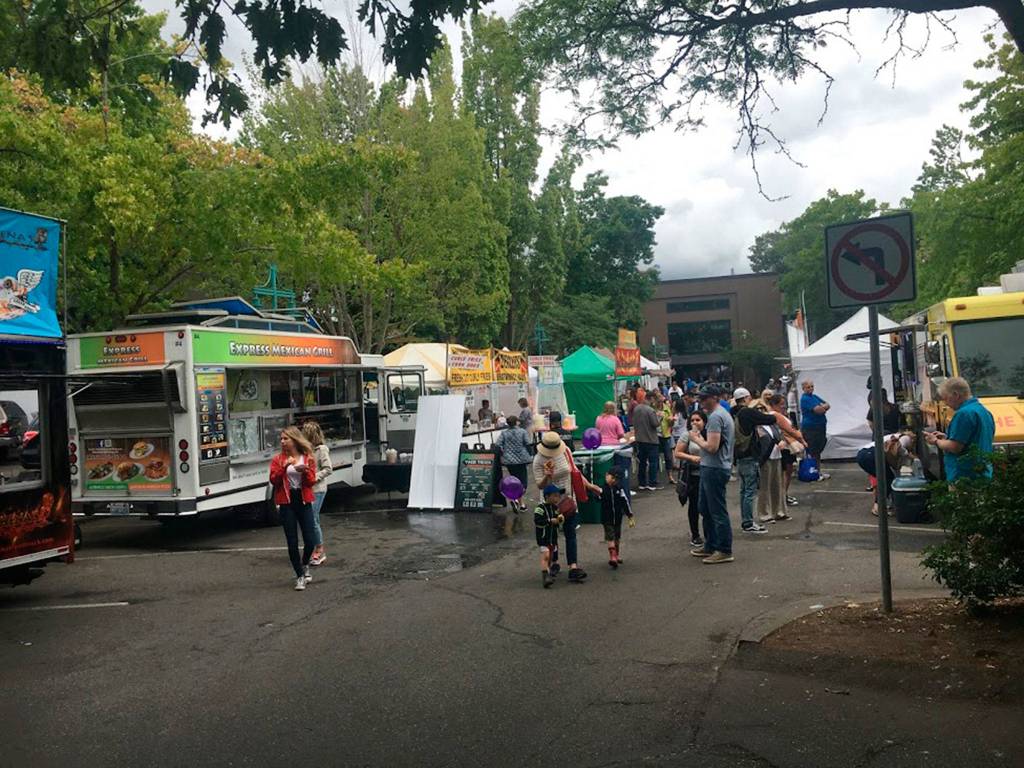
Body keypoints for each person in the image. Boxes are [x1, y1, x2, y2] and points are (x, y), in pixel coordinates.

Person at [533, 431, 601, 582]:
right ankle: (554, 562)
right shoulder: (538, 459)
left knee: (570, 533)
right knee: (552, 535)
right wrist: (547, 476)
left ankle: (573, 567)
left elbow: (574, 472)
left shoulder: (565, 451)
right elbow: (539, 485)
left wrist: (590, 486)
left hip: (568, 499)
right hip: (550, 503)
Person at [688, 388, 735, 564]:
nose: (701, 402)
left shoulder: (716, 417)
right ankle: (711, 544)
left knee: (716, 510)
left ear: (714, 398)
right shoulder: (719, 414)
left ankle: (724, 549)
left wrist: (696, 438)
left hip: (715, 467)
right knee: (705, 508)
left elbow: (712, 447)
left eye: (704, 398)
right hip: (711, 466)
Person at [269, 426, 318, 590]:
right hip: (286, 502)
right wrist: (284, 467)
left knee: (310, 540)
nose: (282, 442)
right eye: (281, 439)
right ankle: (299, 575)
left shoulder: (307, 457)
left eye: (286, 438)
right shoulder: (278, 459)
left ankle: (305, 564)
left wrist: (305, 471)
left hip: (303, 500)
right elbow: (274, 480)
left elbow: (311, 481)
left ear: (294, 440)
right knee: (292, 541)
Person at [924, 376, 996, 483]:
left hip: (964, 475)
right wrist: (947, 438)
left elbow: (955, 447)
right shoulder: (983, 411)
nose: (945, 403)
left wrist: (935, 441)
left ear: (955, 395)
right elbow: (972, 439)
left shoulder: (963, 414)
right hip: (983, 472)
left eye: (946, 398)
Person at [731, 387, 779, 534]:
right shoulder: (747, 412)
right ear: (746, 398)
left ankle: (746, 520)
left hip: (738, 454)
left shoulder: (732, 412)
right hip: (749, 454)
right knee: (750, 491)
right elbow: (770, 419)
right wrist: (769, 411)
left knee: (743, 490)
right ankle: (748, 522)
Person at [856, 433, 913, 516]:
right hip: (872, 454)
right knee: (887, 479)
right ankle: (878, 506)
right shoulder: (906, 438)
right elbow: (899, 449)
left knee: (884, 480)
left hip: (863, 454)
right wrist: (909, 455)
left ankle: (883, 504)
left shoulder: (892, 436)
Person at [301, 420, 333, 566]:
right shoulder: (305, 450)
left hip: (318, 489)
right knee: (312, 519)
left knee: (312, 519)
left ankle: (319, 550)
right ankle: (314, 547)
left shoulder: (321, 450)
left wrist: (315, 477)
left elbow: (328, 468)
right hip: (308, 489)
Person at [756, 394, 791, 523]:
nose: (761, 411)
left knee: (777, 485)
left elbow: (781, 434)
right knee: (764, 487)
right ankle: (764, 513)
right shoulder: (757, 426)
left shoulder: (771, 423)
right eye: (758, 409)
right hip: (766, 458)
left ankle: (779, 511)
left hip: (777, 455)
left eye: (762, 408)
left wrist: (782, 441)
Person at [673, 411, 706, 548]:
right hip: (693, 475)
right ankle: (695, 534)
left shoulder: (709, 434)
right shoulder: (687, 435)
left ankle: (710, 533)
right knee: (694, 505)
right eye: (692, 420)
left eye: (698, 420)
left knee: (708, 505)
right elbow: (677, 453)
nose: (695, 422)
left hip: (709, 473)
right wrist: (692, 457)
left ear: (704, 421)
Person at [495, 416, 532, 529]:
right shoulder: (522, 432)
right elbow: (528, 443)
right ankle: (519, 502)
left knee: (514, 480)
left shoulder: (504, 433)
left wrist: (503, 453)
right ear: (516, 422)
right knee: (523, 482)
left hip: (509, 461)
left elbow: (497, 444)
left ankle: (518, 501)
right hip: (521, 460)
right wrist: (530, 454)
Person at [600, 467, 635, 568]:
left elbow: (625, 502)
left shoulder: (619, 489)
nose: (614, 481)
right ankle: (613, 556)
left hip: (618, 518)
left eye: (616, 479)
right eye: (612, 478)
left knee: (617, 538)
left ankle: (617, 554)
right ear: (607, 476)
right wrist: (597, 495)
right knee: (610, 537)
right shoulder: (603, 489)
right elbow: (598, 497)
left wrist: (630, 514)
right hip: (607, 518)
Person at [799, 379, 831, 480]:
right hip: (811, 428)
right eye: (808, 387)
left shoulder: (814, 397)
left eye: (812, 386)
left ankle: (818, 471)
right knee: (812, 450)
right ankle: (812, 472)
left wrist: (822, 407)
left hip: (820, 427)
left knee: (818, 450)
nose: (811, 389)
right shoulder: (805, 399)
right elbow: (819, 410)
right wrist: (822, 407)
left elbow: (828, 404)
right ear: (803, 388)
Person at [534, 485, 565, 588]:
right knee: (546, 555)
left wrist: (560, 519)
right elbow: (537, 521)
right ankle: (545, 576)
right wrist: (549, 521)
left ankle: (548, 570)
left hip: (553, 538)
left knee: (551, 557)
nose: (557, 498)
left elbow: (558, 520)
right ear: (547, 496)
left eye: (558, 496)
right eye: (555, 496)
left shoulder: (556, 508)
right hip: (543, 537)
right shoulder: (540, 508)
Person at [631, 393, 662, 491]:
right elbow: (655, 424)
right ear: (651, 398)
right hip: (651, 440)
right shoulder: (650, 410)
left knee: (642, 462)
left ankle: (642, 483)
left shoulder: (636, 409)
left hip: (639, 439)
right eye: (654, 400)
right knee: (653, 462)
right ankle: (652, 483)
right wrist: (660, 417)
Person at [658, 395, 675, 484]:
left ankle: (670, 476)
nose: (661, 403)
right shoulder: (652, 409)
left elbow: (671, 424)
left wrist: (671, 420)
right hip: (655, 435)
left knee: (668, 456)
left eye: (662, 401)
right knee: (655, 457)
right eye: (659, 401)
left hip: (665, 435)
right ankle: (655, 477)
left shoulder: (667, 409)